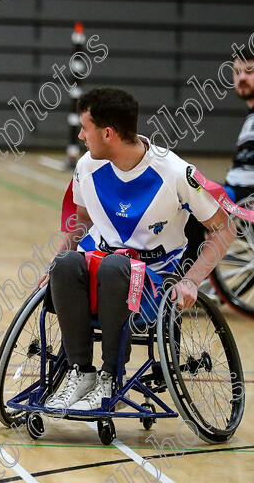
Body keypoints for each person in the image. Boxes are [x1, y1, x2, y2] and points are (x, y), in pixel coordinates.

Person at [41, 87, 234, 411]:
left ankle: (110, 376)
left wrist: (192, 279)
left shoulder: (173, 172)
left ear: (108, 133)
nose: (80, 135)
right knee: (64, 263)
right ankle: (81, 372)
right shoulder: (87, 167)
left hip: (155, 282)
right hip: (101, 268)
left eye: (85, 127)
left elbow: (225, 227)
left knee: (116, 267)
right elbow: (82, 219)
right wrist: (53, 264)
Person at [183, 44, 254, 267]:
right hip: (236, 191)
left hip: (244, 197)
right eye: (237, 72)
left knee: (191, 209)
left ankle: (189, 277)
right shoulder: (249, 119)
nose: (241, 78)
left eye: (249, 71)